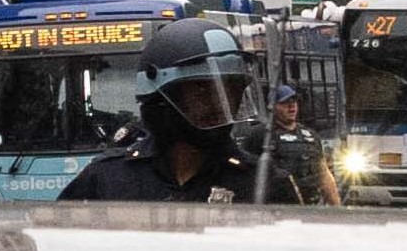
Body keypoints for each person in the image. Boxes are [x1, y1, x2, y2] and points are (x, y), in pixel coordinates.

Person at [59, 30, 266, 203]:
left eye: (232, 91)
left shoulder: (263, 181)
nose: (222, 104)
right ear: (160, 99)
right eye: (202, 91)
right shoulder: (107, 178)